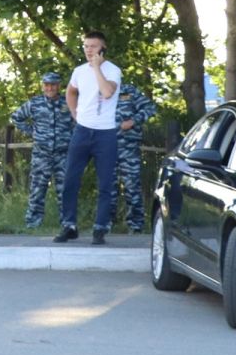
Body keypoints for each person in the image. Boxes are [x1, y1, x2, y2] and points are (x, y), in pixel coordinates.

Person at [56, 30, 121, 244]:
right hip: (82, 131)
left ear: (103, 49)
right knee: (70, 180)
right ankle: (69, 225)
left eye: (93, 46)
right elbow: (71, 91)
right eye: (85, 46)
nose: (88, 50)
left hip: (105, 134)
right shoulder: (78, 71)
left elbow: (107, 92)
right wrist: (75, 113)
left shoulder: (113, 71)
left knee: (105, 183)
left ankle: (100, 228)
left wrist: (96, 68)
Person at [8, 72, 74, 229]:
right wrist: (33, 132)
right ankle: (33, 223)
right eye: (47, 85)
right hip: (42, 154)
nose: (50, 88)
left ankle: (67, 223)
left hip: (62, 154)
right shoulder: (35, 103)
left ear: (59, 86)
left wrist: (71, 136)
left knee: (65, 189)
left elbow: (78, 121)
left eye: (53, 85)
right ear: (43, 86)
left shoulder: (68, 102)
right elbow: (16, 117)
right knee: (38, 188)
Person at [113, 79, 159, 234]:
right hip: (106, 147)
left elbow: (150, 108)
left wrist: (133, 121)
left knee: (132, 185)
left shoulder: (129, 91)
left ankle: (136, 225)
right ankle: (106, 225)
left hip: (128, 147)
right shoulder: (97, 91)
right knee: (108, 187)